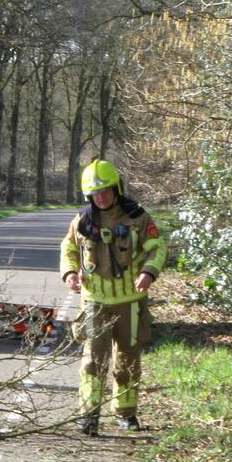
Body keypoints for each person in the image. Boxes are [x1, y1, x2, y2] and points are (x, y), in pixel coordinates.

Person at [60, 159, 167, 436]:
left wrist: (148, 272)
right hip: (95, 303)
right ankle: (88, 416)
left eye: (106, 190)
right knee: (92, 362)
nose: (102, 197)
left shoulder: (137, 217)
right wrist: (70, 273)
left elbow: (156, 247)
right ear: (88, 195)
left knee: (128, 361)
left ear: (117, 188)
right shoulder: (82, 221)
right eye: (96, 193)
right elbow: (69, 248)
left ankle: (126, 414)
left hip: (130, 302)